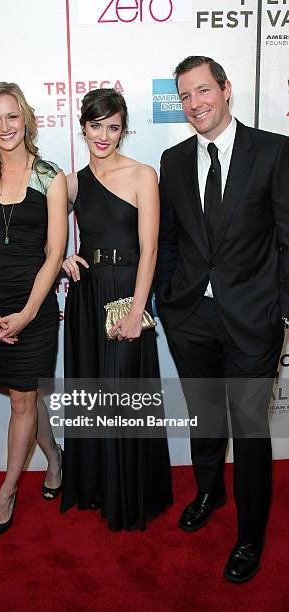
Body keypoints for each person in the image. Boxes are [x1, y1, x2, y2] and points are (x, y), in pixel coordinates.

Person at [155, 56, 289, 582]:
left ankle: (251, 535)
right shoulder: (172, 159)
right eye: (186, 96)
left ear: (226, 90)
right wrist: (169, 299)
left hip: (253, 320)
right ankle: (208, 490)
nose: (195, 104)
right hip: (191, 316)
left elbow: (286, 236)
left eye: (203, 91)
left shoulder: (274, 151)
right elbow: (169, 240)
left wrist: (281, 309)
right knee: (206, 417)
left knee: (251, 431)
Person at [61, 88, 173, 531]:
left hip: (129, 292)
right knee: (93, 390)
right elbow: (42, 238)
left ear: (123, 130)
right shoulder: (70, 182)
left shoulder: (143, 174)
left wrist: (137, 311)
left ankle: (131, 493)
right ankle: (96, 486)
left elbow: (150, 250)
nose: (103, 135)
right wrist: (62, 259)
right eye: (95, 125)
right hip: (88, 295)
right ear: (83, 127)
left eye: (113, 127)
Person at [0, 82, 67, 537]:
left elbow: (54, 252)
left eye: (12, 116)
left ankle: (6, 490)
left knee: (23, 398)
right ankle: (56, 457)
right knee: (24, 394)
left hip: (34, 307)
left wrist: (24, 314)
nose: (5, 127)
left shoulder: (51, 176)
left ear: (26, 119)